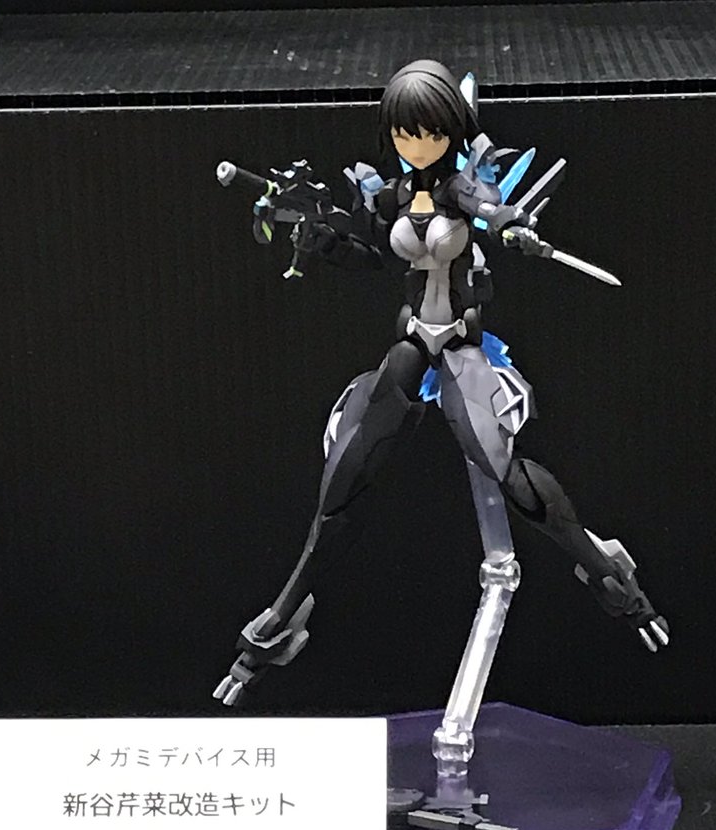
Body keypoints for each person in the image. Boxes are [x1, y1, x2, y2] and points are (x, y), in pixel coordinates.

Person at [215, 59, 668, 707]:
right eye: (405, 133)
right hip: (412, 341)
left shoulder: (458, 188)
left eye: (429, 131)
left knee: (505, 470)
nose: (417, 144)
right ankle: (281, 619)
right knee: (344, 480)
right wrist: (321, 243)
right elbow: (371, 256)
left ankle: (609, 577)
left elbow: (486, 208)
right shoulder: (391, 197)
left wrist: (510, 224)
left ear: (451, 130)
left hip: (460, 341)